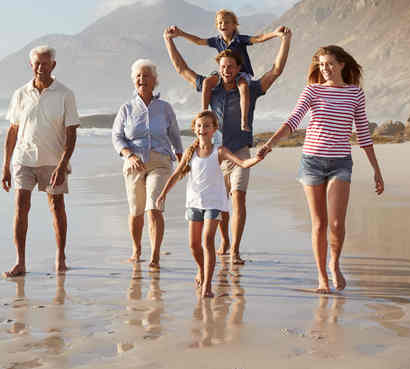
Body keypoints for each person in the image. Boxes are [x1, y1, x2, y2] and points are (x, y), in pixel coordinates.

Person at [257, 45, 384, 293]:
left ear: (342, 65)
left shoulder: (355, 94)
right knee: (319, 224)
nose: (325, 69)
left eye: (330, 64)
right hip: (312, 162)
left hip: (340, 163)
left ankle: (334, 264)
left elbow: (363, 134)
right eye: (321, 65)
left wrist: (376, 170)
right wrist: (270, 144)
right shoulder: (312, 91)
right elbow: (293, 121)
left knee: (336, 224)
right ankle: (322, 277)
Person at [164, 26, 292, 265]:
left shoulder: (251, 89)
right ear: (219, 69)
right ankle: (224, 240)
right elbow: (182, 69)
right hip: (216, 156)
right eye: (223, 67)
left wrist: (285, 40)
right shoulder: (211, 89)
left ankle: (235, 249)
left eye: (231, 67)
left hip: (241, 152)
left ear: (239, 68)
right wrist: (169, 41)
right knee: (220, 205)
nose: (227, 70)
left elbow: (276, 71)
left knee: (238, 198)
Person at [155, 111, 262, 298]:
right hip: (194, 202)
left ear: (214, 129)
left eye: (206, 126)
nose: (202, 129)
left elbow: (243, 164)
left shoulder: (220, 151)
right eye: (199, 126)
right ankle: (201, 270)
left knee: (207, 241)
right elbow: (176, 175)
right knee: (193, 246)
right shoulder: (190, 152)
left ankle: (207, 284)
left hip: (214, 203)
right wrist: (163, 193)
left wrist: (258, 157)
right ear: (194, 129)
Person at [1, 45, 80, 276]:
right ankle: (20, 261)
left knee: (56, 207)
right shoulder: (20, 93)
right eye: (36, 63)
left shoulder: (65, 94)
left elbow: (72, 132)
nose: (40, 68)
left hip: (53, 160)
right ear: (30, 65)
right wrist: (5, 166)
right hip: (23, 159)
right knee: (21, 207)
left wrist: (63, 164)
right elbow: (13, 130)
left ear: (53, 65)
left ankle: (61, 256)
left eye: (45, 63)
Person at [112, 59, 183, 269]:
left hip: (161, 161)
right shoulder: (126, 109)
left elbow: (175, 134)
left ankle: (155, 255)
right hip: (134, 163)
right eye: (138, 76)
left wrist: (182, 158)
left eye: (146, 76)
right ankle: (136, 250)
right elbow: (117, 136)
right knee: (136, 210)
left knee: (154, 206)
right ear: (134, 81)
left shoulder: (165, 108)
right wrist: (128, 154)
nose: (142, 79)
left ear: (155, 80)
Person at [169, 9, 285, 131]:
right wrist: (181, 33)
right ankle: (204, 113)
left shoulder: (240, 39)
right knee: (207, 82)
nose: (223, 25)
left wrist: (275, 34)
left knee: (244, 88)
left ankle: (244, 121)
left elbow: (258, 38)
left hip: (241, 73)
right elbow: (198, 41)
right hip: (224, 72)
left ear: (234, 25)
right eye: (220, 23)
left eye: (226, 22)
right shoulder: (217, 41)